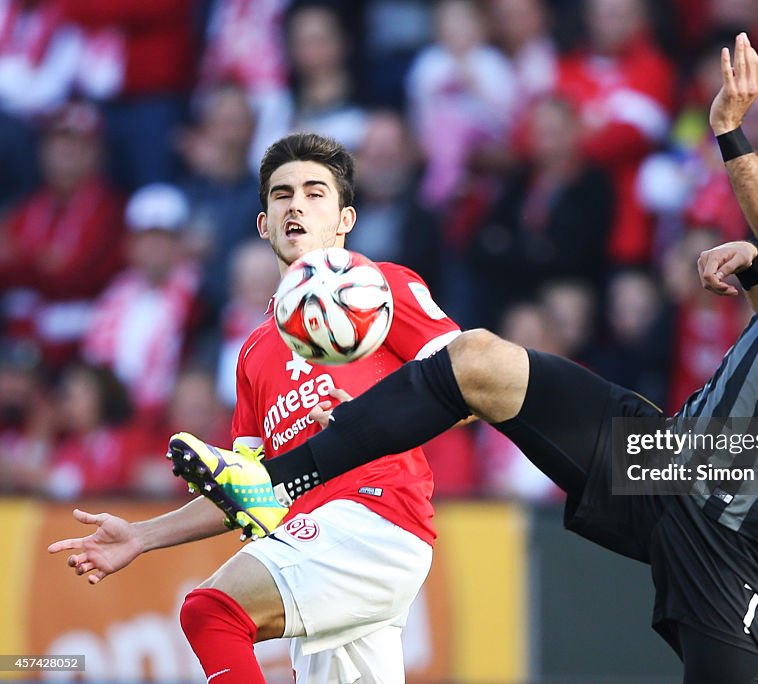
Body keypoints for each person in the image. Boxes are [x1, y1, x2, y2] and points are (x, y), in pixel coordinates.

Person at [169, 35, 758, 683]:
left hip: (736, 536)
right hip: (670, 457)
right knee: (477, 359)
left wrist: (732, 133)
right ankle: (275, 479)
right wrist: (757, 278)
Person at [48, 132, 462, 683]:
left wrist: (373, 413)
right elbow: (249, 488)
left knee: (211, 611)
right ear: (265, 223)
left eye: (316, 193)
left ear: (345, 220)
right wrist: (142, 536)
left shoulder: (377, 288)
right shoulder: (253, 351)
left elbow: (471, 387)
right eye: (282, 194)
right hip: (318, 543)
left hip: (375, 517)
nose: (297, 205)